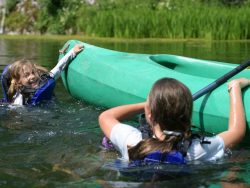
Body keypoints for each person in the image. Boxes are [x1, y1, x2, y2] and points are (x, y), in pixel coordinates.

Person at [99, 77, 250, 163]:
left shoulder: (132, 141)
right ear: (188, 115)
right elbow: (237, 131)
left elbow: (106, 117)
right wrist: (234, 87)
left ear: (150, 114)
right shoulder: (198, 150)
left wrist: (145, 105)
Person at [1, 43, 83, 105]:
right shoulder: (18, 100)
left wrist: (73, 52)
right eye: (26, 75)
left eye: (33, 72)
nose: (32, 76)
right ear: (19, 82)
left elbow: (59, 67)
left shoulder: (44, 81)